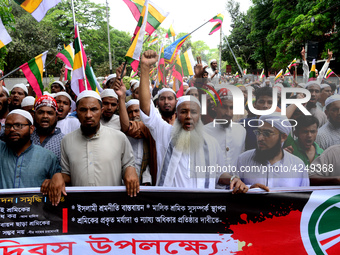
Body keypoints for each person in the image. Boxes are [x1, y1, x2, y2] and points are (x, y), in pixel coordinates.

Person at [138, 50, 257, 192]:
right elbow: (146, 108)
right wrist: (145, 68)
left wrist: (233, 179)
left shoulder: (211, 142)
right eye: (183, 112)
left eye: (193, 112)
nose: (189, 116)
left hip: (201, 208)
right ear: (176, 114)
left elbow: (218, 173)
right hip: (170, 206)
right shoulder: (164, 132)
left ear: (199, 115)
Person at [47, 90, 139, 206]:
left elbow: (128, 164)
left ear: (101, 111)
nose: (88, 115)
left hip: (111, 206)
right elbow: (68, 174)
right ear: (76, 111)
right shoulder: (67, 140)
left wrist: (130, 169)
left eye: (93, 109)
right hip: (80, 208)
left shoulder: (119, 137)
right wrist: (58, 176)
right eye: (83, 110)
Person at [236, 114, 310, 188]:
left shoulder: (298, 165)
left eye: (267, 133)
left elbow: (304, 196)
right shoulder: (243, 160)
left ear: (283, 137)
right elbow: (233, 189)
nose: (260, 138)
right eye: (258, 132)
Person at [0, 110, 60, 189]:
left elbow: (58, 180)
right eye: (8, 126)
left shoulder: (48, 157)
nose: (12, 129)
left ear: (31, 129)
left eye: (18, 125)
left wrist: (53, 180)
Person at [204, 88, 246, 173]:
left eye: (232, 108)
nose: (228, 113)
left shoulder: (241, 131)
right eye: (224, 107)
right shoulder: (204, 132)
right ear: (215, 107)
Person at [31, 95, 64, 162]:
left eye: (50, 113)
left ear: (56, 116)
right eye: (40, 112)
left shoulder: (64, 141)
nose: (45, 116)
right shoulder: (27, 137)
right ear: (34, 115)